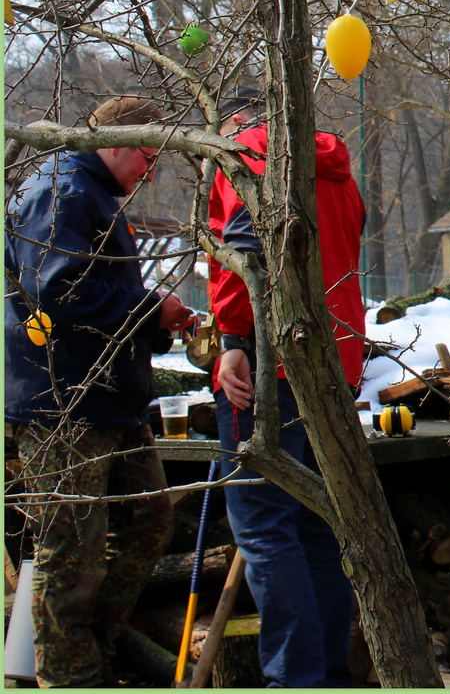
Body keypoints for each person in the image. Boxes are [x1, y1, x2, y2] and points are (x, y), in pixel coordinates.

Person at [5, 96, 194, 686]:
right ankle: (67, 674)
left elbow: (101, 302)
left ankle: (93, 650)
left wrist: (155, 326)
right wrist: (149, 311)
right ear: (114, 142)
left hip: (112, 399)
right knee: (71, 549)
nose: (151, 170)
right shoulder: (60, 192)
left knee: (149, 522)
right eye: (146, 155)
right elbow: (59, 295)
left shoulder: (93, 197)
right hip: (61, 404)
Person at [207, 96, 366, 687]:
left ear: (231, 126)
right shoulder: (329, 166)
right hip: (333, 358)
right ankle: (327, 670)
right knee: (317, 520)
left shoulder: (245, 154)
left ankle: (293, 679)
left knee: (265, 524)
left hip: (269, 360)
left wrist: (233, 339)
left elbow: (247, 252)